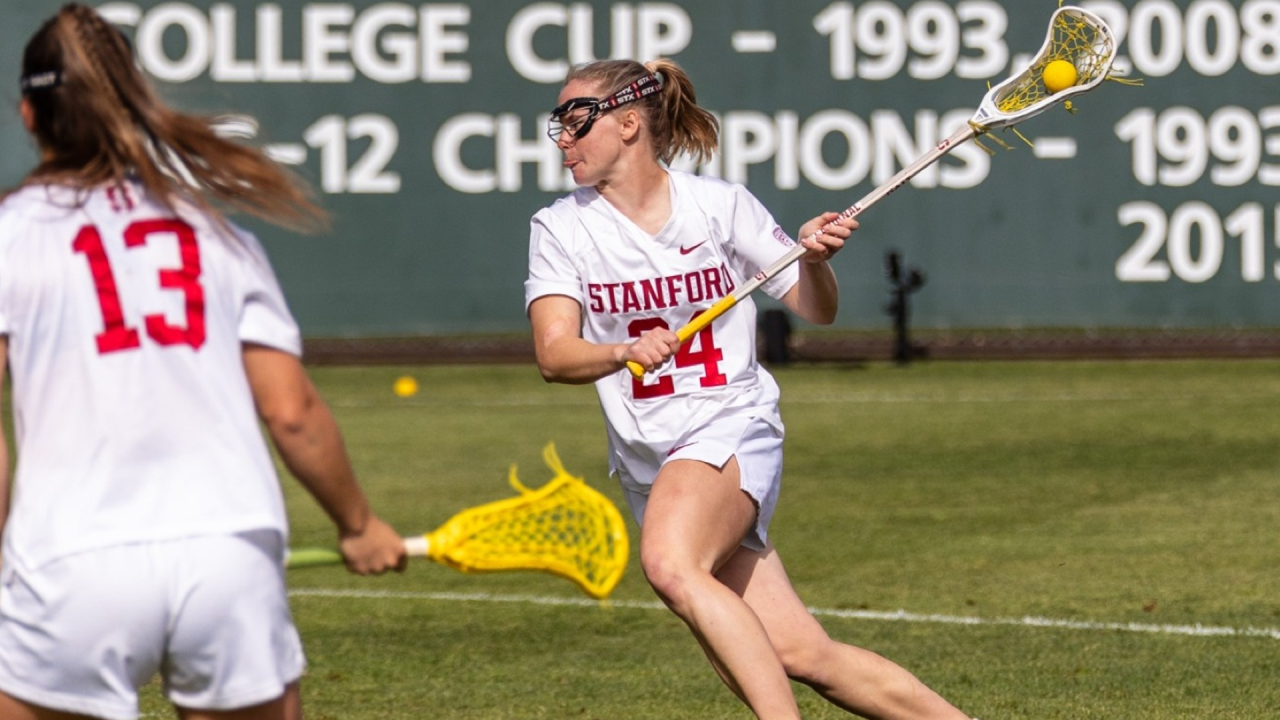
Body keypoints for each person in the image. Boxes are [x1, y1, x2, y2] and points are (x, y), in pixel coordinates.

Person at [526, 58, 973, 720]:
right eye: (557, 123)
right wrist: (621, 349)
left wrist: (814, 261)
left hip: (728, 427)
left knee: (672, 566)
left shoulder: (718, 206)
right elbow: (555, 354)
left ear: (626, 124)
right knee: (801, 654)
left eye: (575, 120)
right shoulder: (560, 228)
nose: (562, 137)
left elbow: (815, 308)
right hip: (651, 465)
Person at [0, 5, 406, 720]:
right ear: (138, 102)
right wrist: (357, 523)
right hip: (228, 551)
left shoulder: (11, 235)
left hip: (69, 561)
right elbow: (292, 412)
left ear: (30, 115)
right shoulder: (215, 231)